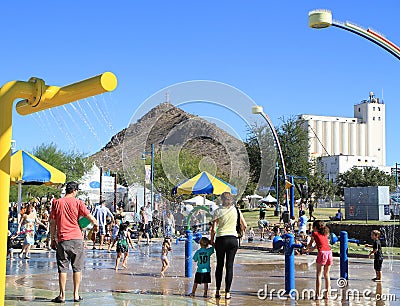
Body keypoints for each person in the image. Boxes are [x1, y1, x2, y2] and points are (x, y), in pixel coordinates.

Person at [49, 181, 98, 303]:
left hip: (63, 239)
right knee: (77, 268)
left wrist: (52, 239)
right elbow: (90, 218)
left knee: (62, 268)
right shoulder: (78, 202)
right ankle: (76, 295)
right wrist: (96, 225)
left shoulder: (57, 203)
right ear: (75, 191)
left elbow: (53, 222)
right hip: (77, 239)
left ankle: (62, 295)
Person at [211, 192, 247, 300]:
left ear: (221, 200)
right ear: (231, 200)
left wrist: (212, 240)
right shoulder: (236, 210)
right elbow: (244, 225)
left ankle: (217, 291)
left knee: (219, 265)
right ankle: (227, 292)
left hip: (221, 239)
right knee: (229, 266)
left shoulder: (217, 211)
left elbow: (213, 229)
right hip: (233, 239)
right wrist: (242, 235)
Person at [304, 220, 333, 300]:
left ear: (315, 227)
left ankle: (318, 295)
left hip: (322, 253)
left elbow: (310, 243)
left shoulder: (315, 234)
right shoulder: (324, 234)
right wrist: (310, 250)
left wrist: (305, 249)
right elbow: (318, 244)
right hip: (329, 252)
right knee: (327, 275)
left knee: (318, 275)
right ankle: (327, 294)